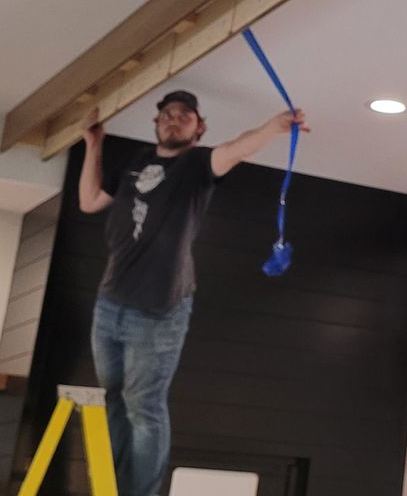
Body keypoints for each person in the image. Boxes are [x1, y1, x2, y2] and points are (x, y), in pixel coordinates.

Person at [79, 90, 306, 496]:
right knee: (114, 399)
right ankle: (111, 488)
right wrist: (94, 143)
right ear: (156, 124)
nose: (174, 119)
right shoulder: (135, 163)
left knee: (143, 407)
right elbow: (90, 200)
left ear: (199, 128)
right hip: (109, 303)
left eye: (184, 115)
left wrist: (274, 126)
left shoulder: (198, 166)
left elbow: (237, 149)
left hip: (158, 309)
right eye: (167, 114)